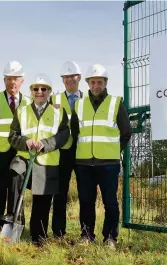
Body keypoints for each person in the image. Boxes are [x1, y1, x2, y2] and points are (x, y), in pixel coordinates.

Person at [3, 74, 70, 245]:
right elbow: (12, 136)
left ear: (49, 92)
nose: (39, 92)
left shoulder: (58, 111)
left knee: (42, 201)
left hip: (46, 162)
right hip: (25, 158)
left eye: (43, 89)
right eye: (36, 89)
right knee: (14, 176)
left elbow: (64, 134)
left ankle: (37, 236)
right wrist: (26, 142)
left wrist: (45, 144)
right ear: (31, 91)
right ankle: (15, 220)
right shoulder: (22, 111)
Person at [71, 64, 132, 249]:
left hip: (108, 164)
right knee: (86, 202)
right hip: (84, 164)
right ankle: (87, 236)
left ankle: (110, 238)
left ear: (105, 83)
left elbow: (126, 132)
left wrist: (114, 150)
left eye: (100, 82)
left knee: (110, 203)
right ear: (88, 83)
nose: (96, 85)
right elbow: (75, 133)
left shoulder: (116, 103)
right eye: (93, 82)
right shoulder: (79, 105)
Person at [0, 61, 32, 234]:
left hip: (19, 154)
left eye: (16, 79)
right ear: (4, 80)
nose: (13, 83)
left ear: (22, 81)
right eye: (9, 79)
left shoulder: (28, 102)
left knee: (17, 191)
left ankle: (14, 228)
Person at [50, 61, 83, 238]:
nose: (70, 80)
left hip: (83, 152)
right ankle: (58, 232)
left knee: (85, 193)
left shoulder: (87, 99)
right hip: (61, 152)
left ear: (79, 78)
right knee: (60, 192)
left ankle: (86, 233)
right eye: (66, 77)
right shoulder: (54, 99)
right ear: (62, 80)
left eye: (73, 76)